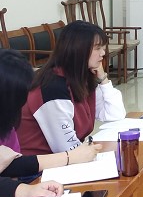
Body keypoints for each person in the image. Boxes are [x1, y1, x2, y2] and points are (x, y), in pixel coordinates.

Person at [18, 21, 125, 157]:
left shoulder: (80, 78)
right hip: (39, 165)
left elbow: (115, 114)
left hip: (67, 157)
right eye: (98, 48)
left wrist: (103, 79)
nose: (103, 53)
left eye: (103, 48)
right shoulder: (52, 87)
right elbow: (66, 148)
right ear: (78, 49)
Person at [1, 48, 101, 174]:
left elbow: (13, 163)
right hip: (32, 171)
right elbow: (11, 166)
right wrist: (70, 157)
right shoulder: (53, 87)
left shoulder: (8, 121)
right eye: (98, 48)